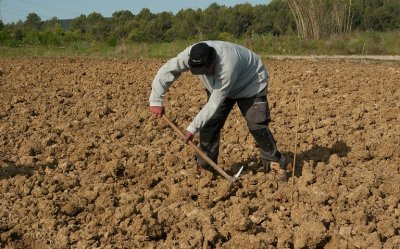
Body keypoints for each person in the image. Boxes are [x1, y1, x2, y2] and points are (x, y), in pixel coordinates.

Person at [149, 41, 290, 181]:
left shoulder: (227, 65)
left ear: (213, 61)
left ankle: (275, 163)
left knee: (257, 125)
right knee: (209, 124)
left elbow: (214, 103)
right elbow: (168, 69)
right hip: (219, 88)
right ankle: (205, 166)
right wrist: (155, 100)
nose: (204, 74)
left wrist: (192, 128)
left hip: (250, 84)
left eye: (206, 70)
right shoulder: (190, 55)